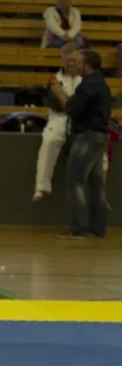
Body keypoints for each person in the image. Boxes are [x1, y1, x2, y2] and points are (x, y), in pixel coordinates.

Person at [50, 49, 111, 239]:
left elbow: (72, 108)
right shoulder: (101, 83)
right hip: (100, 137)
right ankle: (97, 229)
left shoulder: (88, 85)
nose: (76, 65)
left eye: (79, 63)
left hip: (87, 137)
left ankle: (80, 229)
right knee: (95, 183)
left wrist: (58, 91)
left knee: (75, 181)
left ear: (87, 65)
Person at [35, 44, 83, 201]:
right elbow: (55, 105)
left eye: (73, 59)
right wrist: (69, 103)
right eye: (67, 60)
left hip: (83, 120)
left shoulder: (87, 78)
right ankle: (41, 187)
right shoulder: (55, 79)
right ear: (62, 60)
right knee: (49, 141)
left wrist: (64, 97)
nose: (70, 63)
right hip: (58, 119)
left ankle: (95, 192)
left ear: (80, 58)